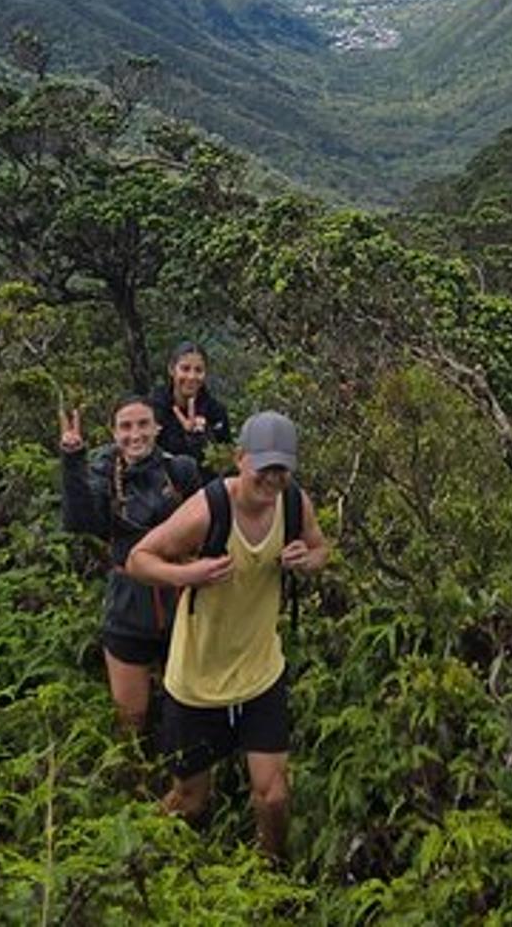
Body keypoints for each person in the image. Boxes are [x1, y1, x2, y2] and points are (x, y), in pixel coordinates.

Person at [125, 410, 329, 860]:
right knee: (190, 801)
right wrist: (190, 573)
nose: (272, 480)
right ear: (240, 458)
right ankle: (141, 861)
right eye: (263, 468)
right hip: (198, 678)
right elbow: (140, 559)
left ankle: (269, 875)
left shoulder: (295, 503)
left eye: (281, 469)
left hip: (260, 670)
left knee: (273, 795)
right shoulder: (209, 508)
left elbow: (321, 549)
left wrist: (306, 559)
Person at [59, 396, 207, 740]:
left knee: (186, 709)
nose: (135, 434)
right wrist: (72, 460)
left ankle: (185, 781)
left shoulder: (179, 469)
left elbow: (209, 516)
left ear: (157, 428)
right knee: (131, 718)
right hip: (127, 607)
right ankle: (135, 782)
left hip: (180, 604)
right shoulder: (104, 473)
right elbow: (81, 521)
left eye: (143, 424)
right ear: (113, 432)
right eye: (125, 426)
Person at [150, 341, 232, 473]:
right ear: (172, 370)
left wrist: (202, 437)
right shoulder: (153, 408)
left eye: (198, 370)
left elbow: (225, 462)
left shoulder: (216, 412)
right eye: (185, 369)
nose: (192, 377)